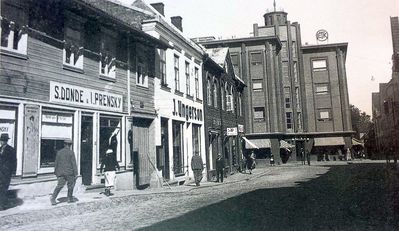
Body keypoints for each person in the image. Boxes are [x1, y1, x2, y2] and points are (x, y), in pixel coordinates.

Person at [50, 140, 78, 205]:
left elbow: (56, 163)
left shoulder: (59, 152)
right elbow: (73, 164)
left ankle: (53, 198)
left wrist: (56, 172)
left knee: (59, 185)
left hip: (61, 172)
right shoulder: (71, 153)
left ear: (64, 144)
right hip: (69, 172)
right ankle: (69, 198)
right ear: (70, 145)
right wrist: (76, 173)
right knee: (71, 185)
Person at [0, 133, 17, 210]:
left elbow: (14, 161)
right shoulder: (0, 149)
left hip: (6, 173)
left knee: (3, 189)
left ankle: (2, 205)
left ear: (6, 141)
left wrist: (13, 172)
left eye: (4, 140)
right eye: (1, 140)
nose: (2, 142)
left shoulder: (11, 150)